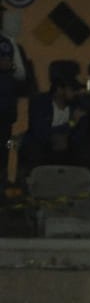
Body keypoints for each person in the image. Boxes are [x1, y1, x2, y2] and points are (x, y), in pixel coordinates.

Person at [21, 77, 88, 170]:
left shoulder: (78, 105)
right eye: (73, 90)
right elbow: (41, 133)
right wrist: (71, 123)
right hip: (42, 148)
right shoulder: (41, 104)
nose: (76, 93)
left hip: (68, 150)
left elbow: (79, 135)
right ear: (59, 90)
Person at [0, 13, 28, 183]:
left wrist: (10, 65)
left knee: (5, 147)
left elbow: (21, 74)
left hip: (4, 108)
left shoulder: (7, 43)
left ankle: (2, 188)